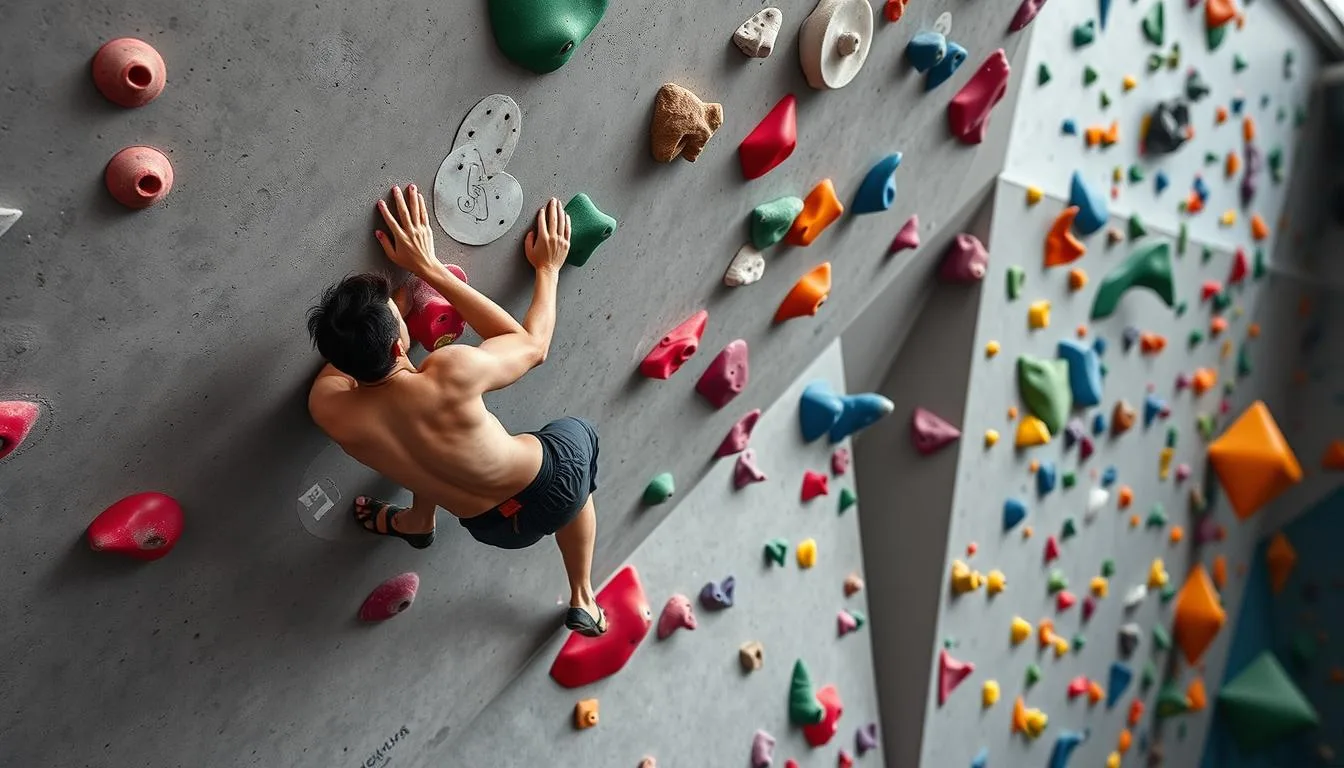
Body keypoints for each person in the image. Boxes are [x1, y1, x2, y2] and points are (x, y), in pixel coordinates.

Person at [305, 185, 606, 636]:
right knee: (575, 436)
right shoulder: (449, 370)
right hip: (550, 484)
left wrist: (386, 325)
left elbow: (344, 365)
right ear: (398, 342)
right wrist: (543, 267)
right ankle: (583, 594)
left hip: (496, 530)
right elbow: (530, 344)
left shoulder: (329, 409)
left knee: (421, 448)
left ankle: (417, 521)